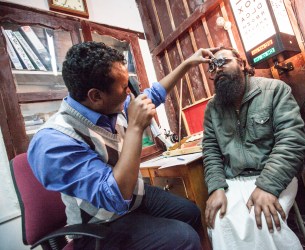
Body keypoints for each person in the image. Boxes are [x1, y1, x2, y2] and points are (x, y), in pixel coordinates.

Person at [28, 41, 216, 250]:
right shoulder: (53, 142)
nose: (129, 93)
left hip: (133, 198)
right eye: (124, 87)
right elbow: (115, 198)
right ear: (96, 95)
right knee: (184, 238)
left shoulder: (111, 105)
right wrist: (136, 127)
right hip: (99, 224)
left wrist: (188, 63)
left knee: (190, 212)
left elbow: (153, 95)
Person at [202, 47, 305, 250]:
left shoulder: (275, 90)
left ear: (241, 64)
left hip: (274, 175)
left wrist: (267, 186)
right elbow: (211, 150)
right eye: (212, 66)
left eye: (223, 61)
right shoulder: (212, 108)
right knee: (219, 222)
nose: (217, 69)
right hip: (234, 179)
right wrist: (216, 187)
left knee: (262, 221)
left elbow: (292, 140)